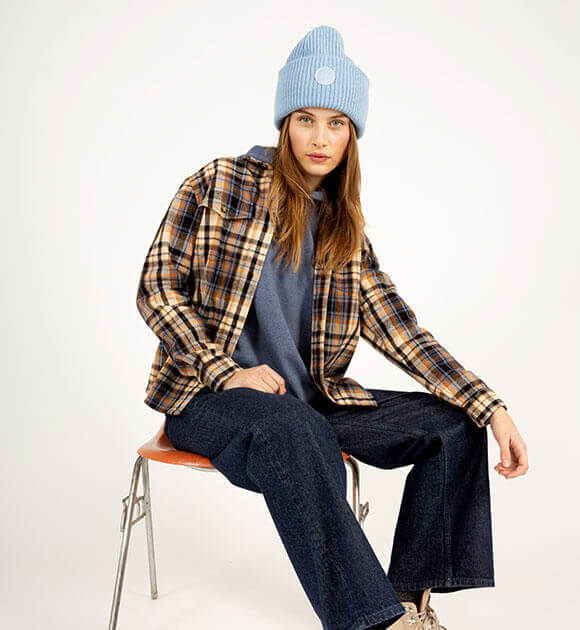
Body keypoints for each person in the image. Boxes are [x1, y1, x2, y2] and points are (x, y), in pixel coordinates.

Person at [136, 25, 528, 630]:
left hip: (312, 406)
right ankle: (372, 622)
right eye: (305, 119)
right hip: (207, 399)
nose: (320, 138)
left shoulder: (345, 230)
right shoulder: (219, 184)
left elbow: (401, 330)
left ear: (352, 134)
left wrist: (489, 405)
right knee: (292, 426)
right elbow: (157, 288)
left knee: (454, 425)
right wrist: (226, 371)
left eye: (336, 123)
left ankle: (407, 604)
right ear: (284, 124)